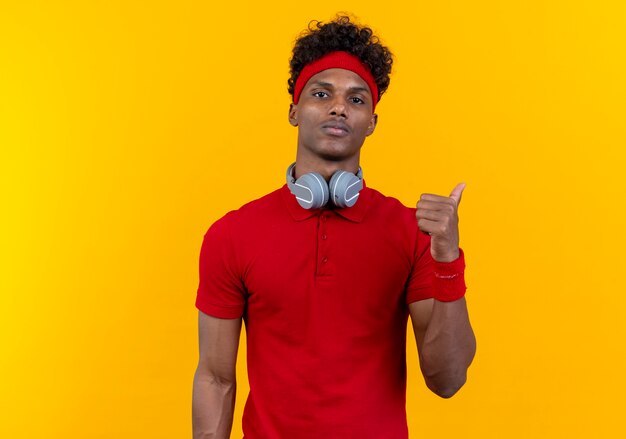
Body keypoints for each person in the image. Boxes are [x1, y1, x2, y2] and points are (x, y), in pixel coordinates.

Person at [192, 15, 476, 439]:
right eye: (321, 93)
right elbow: (216, 378)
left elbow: (447, 380)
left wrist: (448, 260)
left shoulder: (411, 232)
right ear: (293, 111)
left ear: (373, 123)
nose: (339, 106)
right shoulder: (232, 234)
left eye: (357, 99)